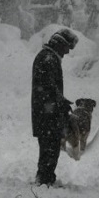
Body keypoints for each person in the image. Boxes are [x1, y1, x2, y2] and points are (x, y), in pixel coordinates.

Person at [30, 28, 78, 186]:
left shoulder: (47, 56)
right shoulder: (49, 59)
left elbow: (49, 89)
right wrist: (61, 104)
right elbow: (49, 88)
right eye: (67, 48)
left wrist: (61, 102)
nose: (68, 53)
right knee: (50, 147)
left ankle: (44, 178)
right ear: (60, 44)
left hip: (45, 112)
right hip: (47, 114)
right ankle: (45, 180)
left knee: (48, 147)